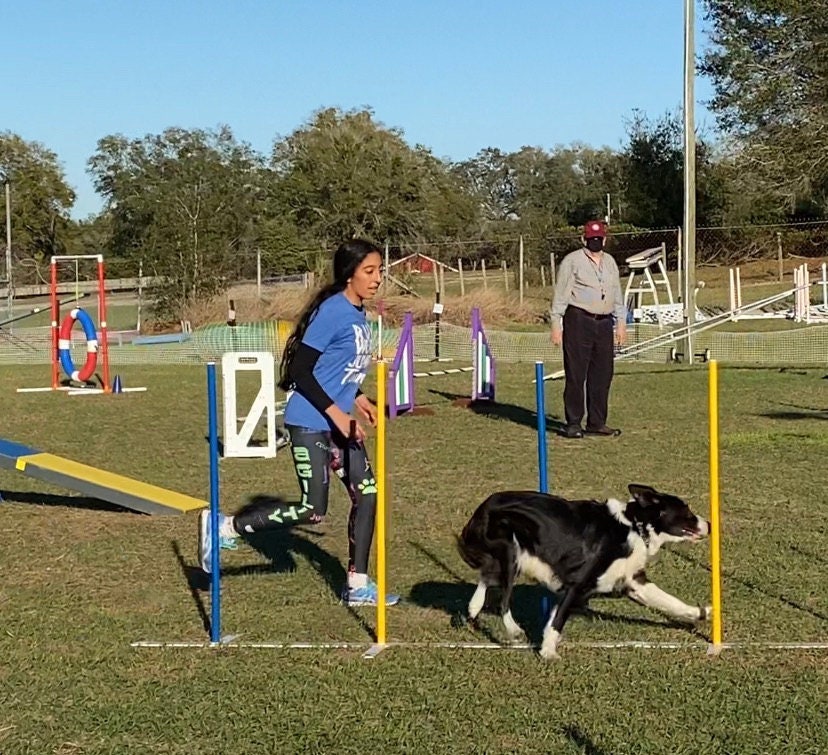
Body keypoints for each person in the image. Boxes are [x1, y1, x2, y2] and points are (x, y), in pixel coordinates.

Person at [198, 238, 399, 607]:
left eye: (380, 271)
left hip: (337, 422)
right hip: (310, 421)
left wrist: (358, 398)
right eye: (369, 271)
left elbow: (336, 370)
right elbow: (300, 372)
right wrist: (339, 413)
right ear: (349, 274)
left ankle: (357, 585)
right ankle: (226, 526)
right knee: (313, 510)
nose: (377, 278)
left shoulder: (359, 316)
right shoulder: (334, 311)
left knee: (367, 494)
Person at [550, 220, 627, 438]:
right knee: (576, 373)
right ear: (584, 239)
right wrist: (556, 325)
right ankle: (573, 422)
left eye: (599, 239)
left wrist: (621, 323)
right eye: (591, 239)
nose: (596, 242)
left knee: (603, 374)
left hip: (604, 323)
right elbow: (561, 295)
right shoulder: (572, 261)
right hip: (578, 320)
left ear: (605, 239)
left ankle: (597, 422)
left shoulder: (610, 262)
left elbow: (617, 295)